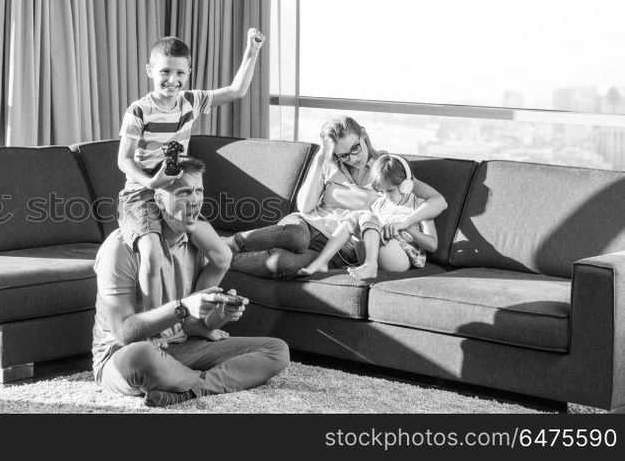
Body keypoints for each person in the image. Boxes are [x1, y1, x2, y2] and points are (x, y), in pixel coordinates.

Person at [93, 157, 290, 408]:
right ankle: (202, 383)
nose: (195, 200)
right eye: (184, 192)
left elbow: (192, 326)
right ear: (160, 200)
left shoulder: (197, 244)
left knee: (277, 350)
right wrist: (184, 307)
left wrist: (218, 314)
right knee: (143, 355)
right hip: (121, 356)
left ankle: (186, 391)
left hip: (181, 348)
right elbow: (124, 334)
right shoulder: (120, 248)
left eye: (199, 191)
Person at [117, 29, 265, 310]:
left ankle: (195, 319)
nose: (172, 80)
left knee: (222, 255)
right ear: (150, 70)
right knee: (152, 257)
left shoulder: (190, 102)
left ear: (188, 73)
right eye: (165, 72)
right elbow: (124, 160)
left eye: (180, 73)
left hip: (176, 194)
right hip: (141, 195)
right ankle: (154, 326)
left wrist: (252, 51)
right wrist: (151, 183)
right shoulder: (139, 110)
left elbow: (237, 91)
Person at [225, 116, 448, 281]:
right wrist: (322, 157)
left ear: (364, 135)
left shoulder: (387, 168)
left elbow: (437, 201)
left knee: (281, 263)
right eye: (343, 154)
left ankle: (221, 258)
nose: (352, 158)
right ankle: (229, 243)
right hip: (306, 226)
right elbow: (304, 206)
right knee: (297, 237)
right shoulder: (330, 163)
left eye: (355, 148)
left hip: (339, 248)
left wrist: (407, 223)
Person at [296, 153, 438, 278]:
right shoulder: (379, 204)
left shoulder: (420, 206)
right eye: (382, 192)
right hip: (376, 253)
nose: (386, 196)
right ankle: (322, 261)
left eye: (390, 191)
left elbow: (432, 245)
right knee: (356, 216)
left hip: (402, 257)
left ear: (406, 185)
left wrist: (407, 228)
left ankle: (371, 266)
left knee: (365, 215)